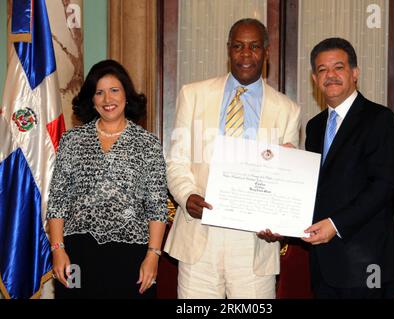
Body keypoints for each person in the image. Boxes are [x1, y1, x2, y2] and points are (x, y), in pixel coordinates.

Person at [163, 18, 301, 299]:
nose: (246, 54)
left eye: (254, 47)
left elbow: (287, 180)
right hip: (200, 235)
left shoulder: (288, 109)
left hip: (254, 245)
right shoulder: (193, 95)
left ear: (266, 51)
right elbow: (176, 160)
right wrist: (186, 195)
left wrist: (279, 222)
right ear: (228, 50)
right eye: (238, 46)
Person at [46, 59, 168, 299]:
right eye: (99, 92)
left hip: (131, 256)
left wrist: (153, 255)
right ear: (92, 99)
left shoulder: (148, 144)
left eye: (114, 90)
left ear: (126, 94)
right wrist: (58, 249)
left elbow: (157, 206)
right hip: (77, 253)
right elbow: (58, 199)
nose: (107, 99)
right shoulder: (72, 141)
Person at [301, 37, 394, 298]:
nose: (331, 75)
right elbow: (318, 186)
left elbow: (384, 186)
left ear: (354, 73)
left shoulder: (380, 119)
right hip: (324, 265)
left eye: (339, 67)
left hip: (367, 263)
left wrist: (335, 225)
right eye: (322, 70)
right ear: (315, 79)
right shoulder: (314, 127)